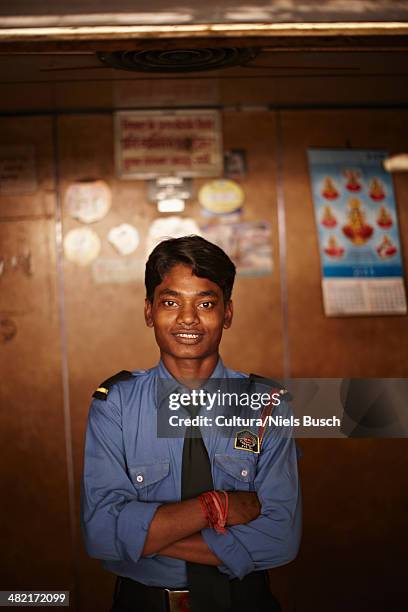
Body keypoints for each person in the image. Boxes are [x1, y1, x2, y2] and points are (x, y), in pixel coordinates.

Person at [81, 235, 302, 612]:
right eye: (170, 302)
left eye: (205, 303)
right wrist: (213, 508)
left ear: (227, 313)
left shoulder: (267, 405)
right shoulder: (114, 404)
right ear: (149, 311)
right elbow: (100, 535)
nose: (188, 318)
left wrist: (137, 537)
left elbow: (280, 539)